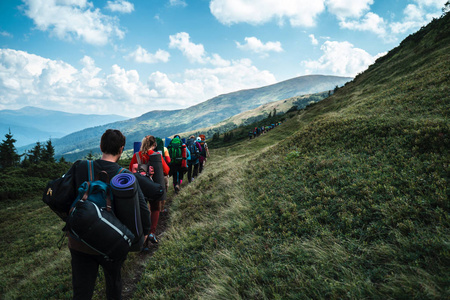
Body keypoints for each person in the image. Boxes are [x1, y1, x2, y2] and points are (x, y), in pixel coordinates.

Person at [66, 129, 151, 300]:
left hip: (79, 240)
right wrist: (146, 232)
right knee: (113, 284)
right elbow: (142, 208)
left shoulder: (81, 166)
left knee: (81, 292)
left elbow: (65, 198)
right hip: (110, 242)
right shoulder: (125, 176)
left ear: (100, 146)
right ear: (121, 149)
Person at [129, 135, 169, 245]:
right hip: (153, 186)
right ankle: (152, 233)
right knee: (155, 208)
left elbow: (130, 171)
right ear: (154, 145)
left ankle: (142, 237)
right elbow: (166, 171)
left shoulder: (136, 156)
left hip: (139, 188)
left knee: (142, 210)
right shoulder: (156, 155)